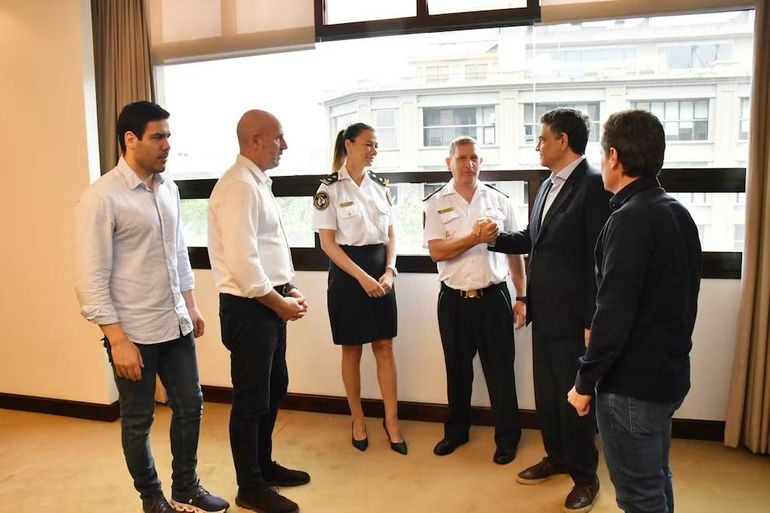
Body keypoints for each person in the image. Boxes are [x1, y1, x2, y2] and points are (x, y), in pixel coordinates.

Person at [74, 101, 229, 513]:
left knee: (191, 405)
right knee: (139, 420)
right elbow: (90, 278)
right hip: (132, 331)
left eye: (168, 136)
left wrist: (191, 306)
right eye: (158, 136)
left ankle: (186, 487)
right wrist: (116, 339)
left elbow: (177, 254)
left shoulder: (169, 189)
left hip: (174, 320)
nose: (167, 145)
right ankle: (152, 497)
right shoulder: (102, 197)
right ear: (131, 140)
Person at [567, 109, 701, 513]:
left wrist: (584, 382)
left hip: (631, 388)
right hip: (668, 375)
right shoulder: (676, 212)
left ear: (613, 157)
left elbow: (613, 313)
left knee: (640, 497)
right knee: (656, 479)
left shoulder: (629, 220)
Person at [490, 108, 611, 512]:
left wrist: (593, 322)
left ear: (563, 141)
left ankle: (585, 476)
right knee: (548, 396)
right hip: (544, 314)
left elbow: (600, 259)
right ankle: (556, 457)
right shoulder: (546, 185)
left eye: (541, 138)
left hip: (576, 320)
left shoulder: (593, 186)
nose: (537, 145)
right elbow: (532, 238)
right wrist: (494, 239)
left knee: (575, 400)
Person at [207, 110, 310, 513]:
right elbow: (244, 264)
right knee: (251, 399)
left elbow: (266, 249)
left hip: (266, 304)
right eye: (278, 138)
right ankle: (249, 487)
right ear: (254, 140)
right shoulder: (238, 187)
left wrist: (288, 287)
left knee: (273, 387)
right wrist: (279, 302)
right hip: (249, 309)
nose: (285, 146)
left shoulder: (256, 183)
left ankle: (263, 467)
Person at [423, 135, 526, 465]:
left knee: (500, 372)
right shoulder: (435, 202)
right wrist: (474, 237)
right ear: (449, 162)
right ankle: (456, 431)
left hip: (493, 297)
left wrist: (522, 295)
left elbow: (515, 252)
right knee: (457, 370)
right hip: (452, 301)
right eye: (462, 158)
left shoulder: (498, 200)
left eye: (475, 158)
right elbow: (437, 251)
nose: (469, 164)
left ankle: (508, 438)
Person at [312, 123, 406, 455]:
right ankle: (358, 419)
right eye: (368, 144)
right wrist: (362, 278)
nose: (374, 150)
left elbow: (392, 235)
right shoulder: (329, 189)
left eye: (376, 145)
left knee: (384, 347)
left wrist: (390, 271)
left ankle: (391, 421)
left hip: (382, 272)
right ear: (349, 144)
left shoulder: (382, 186)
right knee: (352, 351)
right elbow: (327, 244)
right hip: (347, 276)